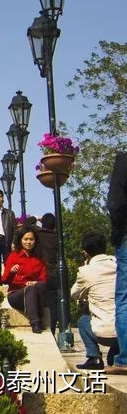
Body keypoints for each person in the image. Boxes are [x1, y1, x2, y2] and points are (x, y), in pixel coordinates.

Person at [70, 233, 119, 369]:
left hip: (103, 333)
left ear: (85, 252)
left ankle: (94, 357)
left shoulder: (86, 271)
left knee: (83, 320)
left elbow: (74, 294)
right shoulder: (118, 265)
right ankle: (118, 349)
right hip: (123, 331)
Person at [2, 227, 48, 333]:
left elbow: (44, 279)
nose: (28, 242)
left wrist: (36, 282)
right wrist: (12, 272)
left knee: (39, 286)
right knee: (31, 289)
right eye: (25, 239)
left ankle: (37, 318)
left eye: (31, 239)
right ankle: (36, 322)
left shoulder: (39, 258)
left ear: (35, 241)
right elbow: (4, 279)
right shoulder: (14, 256)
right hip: (16, 294)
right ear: (20, 240)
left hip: (35, 292)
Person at [106, 152, 127, 374]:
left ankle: (125, 359)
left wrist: (118, 232)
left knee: (124, 299)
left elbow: (116, 202)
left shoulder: (124, 160)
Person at [35, 213, 60, 333]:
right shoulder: (57, 237)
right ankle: (52, 330)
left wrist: (35, 218)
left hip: (40, 273)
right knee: (53, 305)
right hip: (53, 274)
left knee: (39, 301)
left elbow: (26, 226)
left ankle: (39, 325)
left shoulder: (39, 235)